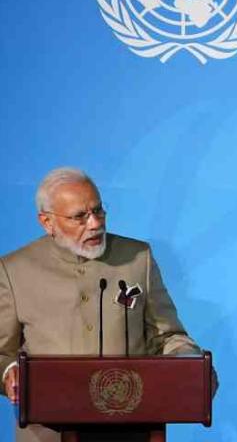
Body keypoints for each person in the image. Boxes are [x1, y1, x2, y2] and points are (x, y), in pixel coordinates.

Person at [0, 168, 207, 442]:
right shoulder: (14, 270)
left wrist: (188, 367)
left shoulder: (137, 258)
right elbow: (2, 353)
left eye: (99, 211)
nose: (95, 223)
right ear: (47, 222)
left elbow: (169, 336)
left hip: (131, 428)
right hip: (48, 432)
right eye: (79, 217)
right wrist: (9, 374)